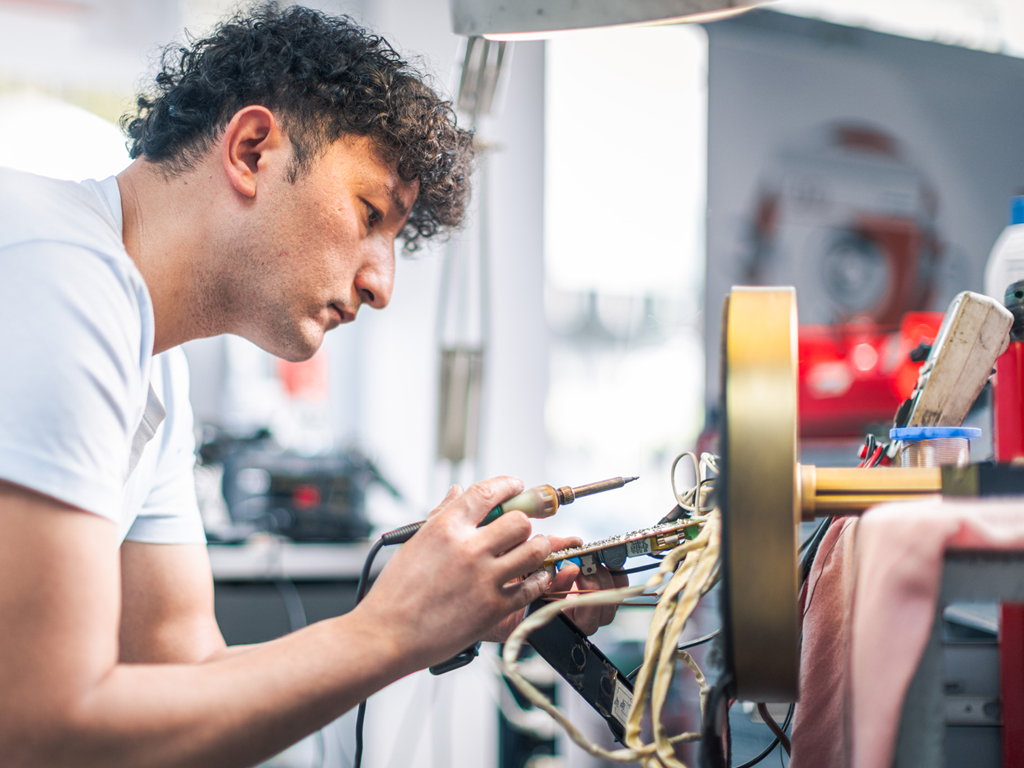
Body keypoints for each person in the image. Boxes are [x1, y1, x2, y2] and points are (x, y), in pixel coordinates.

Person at [0, 4, 625, 766]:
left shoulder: (153, 368)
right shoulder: (56, 273)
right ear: (253, 150)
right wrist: (393, 627)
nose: (381, 284)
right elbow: (42, 726)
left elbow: (185, 673)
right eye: (369, 214)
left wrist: (438, 607)